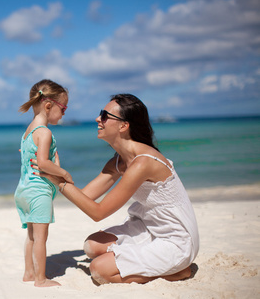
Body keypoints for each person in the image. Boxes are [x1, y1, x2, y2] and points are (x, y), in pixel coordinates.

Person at [33, 94, 199, 284]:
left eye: (104, 115)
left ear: (123, 126)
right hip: (148, 227)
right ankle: (147, 258)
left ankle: (178, 270)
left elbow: (98, 212)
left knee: (99, 271)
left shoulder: (143, 163)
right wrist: (51, 168)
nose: (98, 119)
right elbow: (85, 196)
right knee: (91, 246)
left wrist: (59, 181)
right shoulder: (119, 161)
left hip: (175, 240)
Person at [14, 79, 74, 287]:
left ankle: (29, 273)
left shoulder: (28, 131)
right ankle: (40, 279)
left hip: (23, 191)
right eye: (63, 108)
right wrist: (63, 173)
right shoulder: (45, 132)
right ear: (48, 106)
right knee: (41, 238)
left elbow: (30, 159)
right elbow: (42, 163)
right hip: (38, 191)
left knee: (31, 236)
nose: (64, 113)